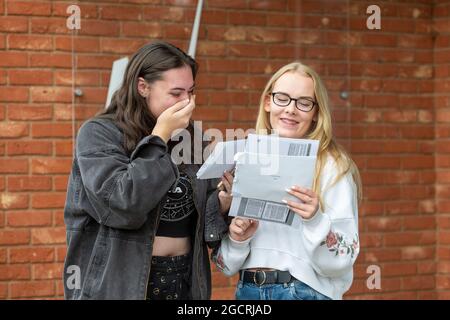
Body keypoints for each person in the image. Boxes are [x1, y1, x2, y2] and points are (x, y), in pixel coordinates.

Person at [63, 41, 230, 300]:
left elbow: (202, 212)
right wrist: (159, 137)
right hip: (120, 285)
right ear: (143, 87)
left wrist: (222, 200)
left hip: (183, 281)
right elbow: (124, 201)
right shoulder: (98, 133)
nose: (187, 102)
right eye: (176, 93)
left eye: (191, 92)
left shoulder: (192, 139)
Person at [213, 62, 362, 300]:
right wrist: (238, 239)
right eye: (282, 98)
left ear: (316, 113)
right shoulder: (245, 159)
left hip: (304, 291)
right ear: (268, 102)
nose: (291, 109)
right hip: (248, 290)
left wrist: (314, 220)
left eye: (304, 103)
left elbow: (342, 261)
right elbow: (224, 266)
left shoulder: (333, 166)